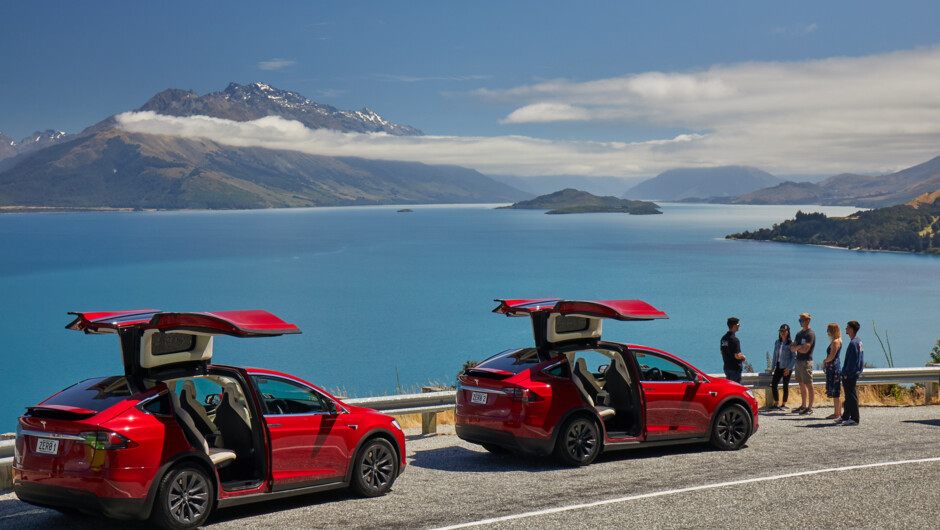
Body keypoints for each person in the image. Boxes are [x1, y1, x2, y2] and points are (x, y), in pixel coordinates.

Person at [837, 321, 864, 426]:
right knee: (848, 396)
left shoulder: (854, 343)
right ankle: (845, 416)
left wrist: (847, 373)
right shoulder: (858, 341)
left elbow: (853, 361)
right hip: (853, 373)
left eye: (847, 327)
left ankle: (854, 418)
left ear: (852, 329)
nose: (846, 329)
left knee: (851, 396)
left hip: (850, 374)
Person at [790, 313, 816, 414]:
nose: (800, 322)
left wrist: (798, 348)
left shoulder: (810, 334)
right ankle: (803, 405)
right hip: (798, 361)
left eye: (802, 320)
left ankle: (810, 407)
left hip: (806, 361)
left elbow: (806, 350)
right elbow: (792, 348)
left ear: (808, 321)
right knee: (801, 383)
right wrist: (800, 347)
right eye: (799, 320)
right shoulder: (799, 334)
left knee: (809, 384)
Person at [769, 324, 795, 409]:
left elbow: (794, 357)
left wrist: (789, 368)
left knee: (785, 385)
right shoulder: (777, 342)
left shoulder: (791, 343)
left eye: (784, 331)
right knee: (774, 384)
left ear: (788, 332)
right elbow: (775, 355)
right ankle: (776, 403)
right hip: (779, 366)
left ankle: (783, 404)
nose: (782, 333)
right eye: (781, 331)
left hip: (787, 367)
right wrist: (772, 367)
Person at [823, 323, 843, 419]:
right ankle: (837, 412)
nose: (827, 332)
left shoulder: (835, 342)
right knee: (836, 391)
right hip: (834, 367)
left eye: (829, 330)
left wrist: (824, 361)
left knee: (836, 391)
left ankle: (837, 413)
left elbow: (831, 356)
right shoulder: (837, 341)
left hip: (833, 368)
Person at [720, 317, 746, 383]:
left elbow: (722, 352)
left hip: (727, 367)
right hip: (735, 368)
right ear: (734, 326)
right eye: (738, 325)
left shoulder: (723, 338)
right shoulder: (735, 340)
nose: (739, 326)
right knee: (736, 388)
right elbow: (736, 356)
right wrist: (743, 357)